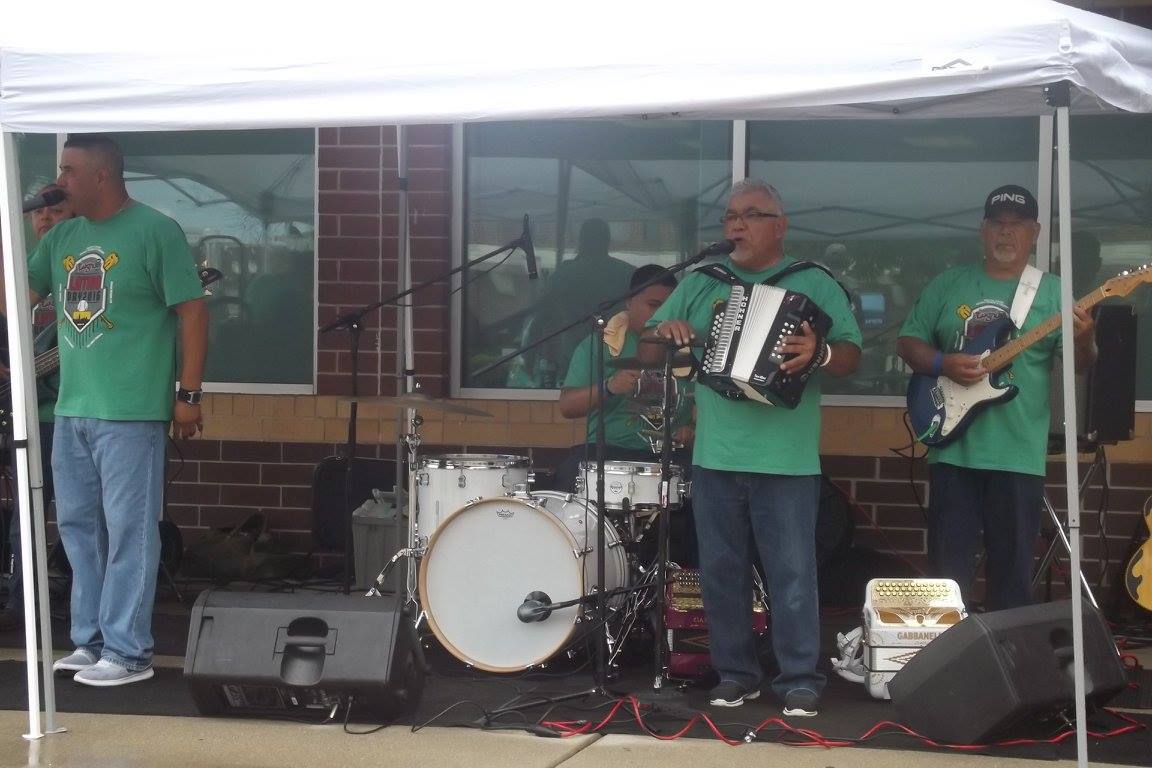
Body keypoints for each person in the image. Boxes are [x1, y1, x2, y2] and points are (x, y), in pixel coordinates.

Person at [644, 179, 861, 715]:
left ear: (779, 226)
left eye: (750, 215)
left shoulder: (812, 282)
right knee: (722, 574)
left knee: (792, 574)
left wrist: (820, 350)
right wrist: (666, 328)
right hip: (715, 455)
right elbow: (649, 342)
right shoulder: (702, 280)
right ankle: (735, 673)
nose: (736, 225)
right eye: (730, 217)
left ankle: (799, 677)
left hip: (786, 460)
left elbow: (853, 357)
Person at [21, 134, 208, 686]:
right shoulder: (64, 237)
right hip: (72, 407)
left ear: (100, 175)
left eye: (68, 170)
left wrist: (187, 394)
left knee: (129, 529)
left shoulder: (155, 229)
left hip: (130, 409)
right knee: (78, 527)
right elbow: (18, 297)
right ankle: (93, 639)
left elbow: (192, 312)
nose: (60, 180)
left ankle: (128, 653)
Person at [896, 185, 1096, 612]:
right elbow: (908, 341)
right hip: (953, 452)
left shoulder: (1054, 293)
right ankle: (948, 668)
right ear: (983, 231)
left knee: (1011, 578)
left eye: (1017, 225)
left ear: (1035, 232)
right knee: (947, 579)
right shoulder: (951, 282)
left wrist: (1086, 337)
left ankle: (1007, 670)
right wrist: (942, 363)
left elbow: (1079, 364)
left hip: (1017, 456)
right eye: (998, 224)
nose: (1007, 234)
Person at [0, 184, 73, 631]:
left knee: (81, 513)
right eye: (37, 214)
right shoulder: (25, 271)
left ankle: (73, 594)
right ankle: (19, 602)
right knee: (27, 510)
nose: (44, 219)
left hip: (78, 408)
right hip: (33, 414)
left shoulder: (81, 267)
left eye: (56, 211)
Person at [555, 264, 694, 493]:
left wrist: (692, 430)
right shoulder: (599, 345)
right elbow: (567, 407)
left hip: (671, 456)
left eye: (670, 307)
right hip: (609, 450)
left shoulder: (691, 348)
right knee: (569, 474)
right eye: (653, 305)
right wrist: (609, 386)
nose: (661, 315)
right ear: (629, 302)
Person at [523, 218, 636, 386]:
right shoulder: (628, 273)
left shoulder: (563, 275)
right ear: (607, 242)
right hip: (617, 358)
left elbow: (541, 318)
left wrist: (528, 361)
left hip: (572, 356)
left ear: (581, 241)